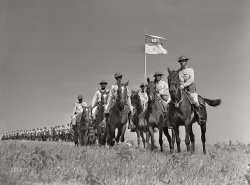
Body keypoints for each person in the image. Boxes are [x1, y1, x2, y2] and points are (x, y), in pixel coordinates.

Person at [177, 55, 204, 124]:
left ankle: (200, 116)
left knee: (194, 99)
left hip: (190, 88)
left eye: (183, 61)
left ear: (186, 62)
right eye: (180, 61)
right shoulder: (178, 71)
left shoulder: (190, 70)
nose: (182, 62)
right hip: (181, 90)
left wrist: (183, 85)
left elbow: (191, 80)